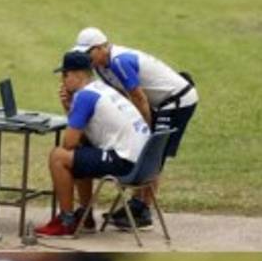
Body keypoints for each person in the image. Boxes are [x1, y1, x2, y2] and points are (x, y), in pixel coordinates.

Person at [71, 27, 198, 230]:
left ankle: (142, 209)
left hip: (176, 100)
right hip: (158, 101)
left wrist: (144, 130)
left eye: (88, 52)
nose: (86, 57)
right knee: (145, 149)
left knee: (154, 152)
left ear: (102, 47)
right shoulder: (101, 67)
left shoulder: (118, 61)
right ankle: (136, 204)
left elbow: (138, 97)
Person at [35, 51, 149, 238]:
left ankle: (66, 221)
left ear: (79, 75)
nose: (62, 80)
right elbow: (81, 141)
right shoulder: (101, 88)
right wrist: (70, 107)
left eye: (65, 75)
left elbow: (69, 143)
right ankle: (85, 217)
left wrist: (69, 107)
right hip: (144, 162)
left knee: (58, 157)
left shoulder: (85, 96)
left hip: (125, 162)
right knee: (81, 154)